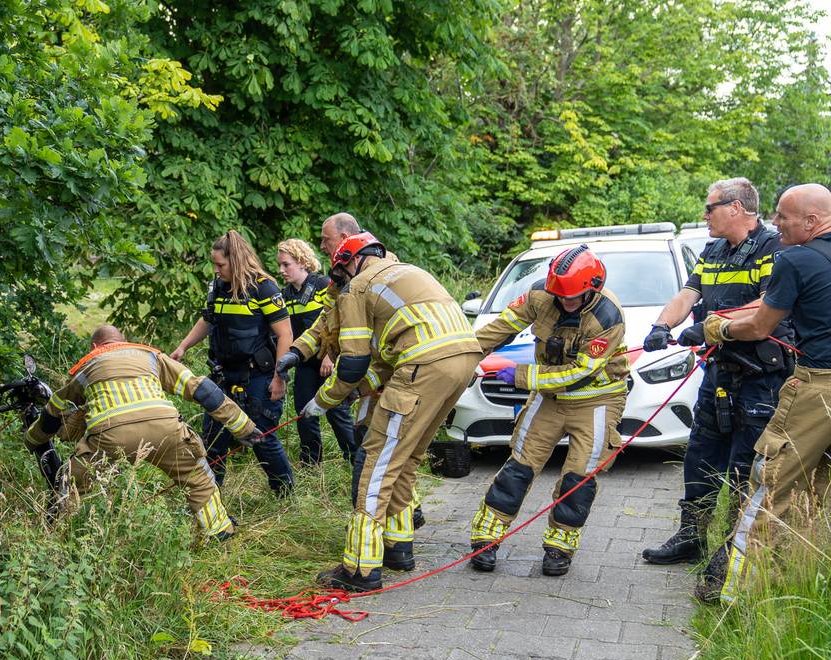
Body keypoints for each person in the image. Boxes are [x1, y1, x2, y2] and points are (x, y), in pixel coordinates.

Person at [295, 228, 481, 591]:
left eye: (340, 274)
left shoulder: (357, 286)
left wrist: (321, 402)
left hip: (423, 366)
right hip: (463, 361)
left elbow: (351, 363)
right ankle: (398, 547)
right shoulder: (410, 273)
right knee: (406, 457)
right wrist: (361, 388)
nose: (340, 282)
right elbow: (387, 356)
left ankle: (360, 569)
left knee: (375, 462)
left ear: (349, 263)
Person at [641, 178, 793, 565]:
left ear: (736, 208)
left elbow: (766, 304)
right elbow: (688, 294)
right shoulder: (712, 251)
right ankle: (691, 537)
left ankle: (731, 551)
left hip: (761, 378)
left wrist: (709, 324)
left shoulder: (774, 248)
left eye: (710, 208)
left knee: (746, 468)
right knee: (700, 458)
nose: (704, 215)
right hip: (718, 373)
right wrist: (662, 326)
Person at [694, 183, 831, 603]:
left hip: (817, 388)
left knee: (769, 484)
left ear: (811, 221)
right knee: (820, 488)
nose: (774, 222)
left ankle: (736, 595)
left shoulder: (796, 258)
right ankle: (804, 582)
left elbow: (759, 325)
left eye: (783, 216)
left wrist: (716, 328)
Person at [465, 245, 629, 577]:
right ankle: (486, 537)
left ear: (591, 290)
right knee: (520, 466)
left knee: (577, 478)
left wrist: (522, 375)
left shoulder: (608, 318)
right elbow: (502, 326)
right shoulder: (542, 294)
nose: (565, 302)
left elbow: (577, 373)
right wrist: (466, 353)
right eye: (560, 296)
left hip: (596, 400)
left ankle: (559, 546)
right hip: (549, 399)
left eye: (573, 297)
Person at [25, 325, 264, 539]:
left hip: (110, 437)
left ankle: (60, 539)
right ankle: (219, 532)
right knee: (198, 478)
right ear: (124, 340)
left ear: (95, 347)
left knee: (73, 483)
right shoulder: (151, 357)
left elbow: (52, 412)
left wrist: (32, 439)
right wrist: (244, 427)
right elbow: (201, 389)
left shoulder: (86, 368)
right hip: (165, 430)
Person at [171, 230, 296, 495]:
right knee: (214, 440)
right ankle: (211, 497)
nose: (216, 270)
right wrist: (183, 346)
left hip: (258, 377)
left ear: (236, 260)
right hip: (222, 375)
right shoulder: (218, 288)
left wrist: (279, 377)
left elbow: (285, 334)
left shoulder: (264, 287)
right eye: (214, 265)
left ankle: (285, 495)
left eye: (221, 265)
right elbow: (208, 320)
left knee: (261, 437)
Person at [276, 238, 358, 465]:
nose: (281, 270)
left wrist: (331, 357)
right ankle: (311, 462)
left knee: (336, 412)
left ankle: (354, 459)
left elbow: (338, 323)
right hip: (304, 361)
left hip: (327, 359)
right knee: (304, 412)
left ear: (302, 262)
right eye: (280, 265)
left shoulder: (324, 285)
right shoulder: (285, 294)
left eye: (286, 264)